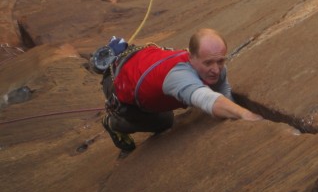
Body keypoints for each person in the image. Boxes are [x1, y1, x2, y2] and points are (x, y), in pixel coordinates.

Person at [101, 28, 262, 152]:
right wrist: (245, 114)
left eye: (220, 61)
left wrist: (234, 113)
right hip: (118, 82)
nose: (216, 70)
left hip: (140, 60)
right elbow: (206, 99)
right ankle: (113, 123)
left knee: (166, 114)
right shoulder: (178, 75)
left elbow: (223, 92)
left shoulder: (214, 67)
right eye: (208, 63)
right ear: (190, 57)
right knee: (164, 122)